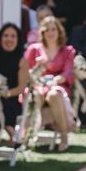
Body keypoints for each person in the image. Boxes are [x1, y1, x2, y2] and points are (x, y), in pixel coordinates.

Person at [25, 16, 76, 151]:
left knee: (54, 94)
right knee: (35, 94)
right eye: (47, 30)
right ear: (42, 32)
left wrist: (55, 80)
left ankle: (64, 136)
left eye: (53, 29)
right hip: (37, 84)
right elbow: (26, 72)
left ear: (59, 31)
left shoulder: (67, 51)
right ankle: (29, 134)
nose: (50, 32)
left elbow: (68, 73)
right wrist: (37, 66)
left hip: (58, 85)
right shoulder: (33, 49)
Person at [0, 23, 29, 145]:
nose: (9, 39)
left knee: (0, 102)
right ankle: (10, 133)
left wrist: (5, 93)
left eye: (13, 36)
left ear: (18, 40)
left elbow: (21, 88)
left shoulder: (22, 61)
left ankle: (11, 132)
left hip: (11, 100)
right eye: (6, 35)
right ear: (0, 38)